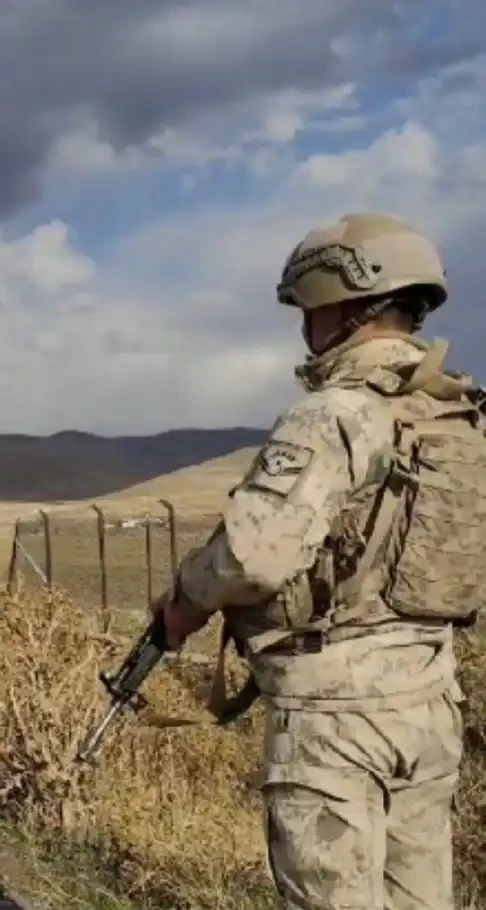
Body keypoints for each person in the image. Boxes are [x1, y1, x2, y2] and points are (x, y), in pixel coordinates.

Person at [151, 212, 484, 909]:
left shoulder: (335, 413)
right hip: (428, 700)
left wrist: (184, 601)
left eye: (309, 311)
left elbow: (251, 558)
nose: (305, 327)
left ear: (341, 305)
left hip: (336, 714)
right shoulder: (454, 412)